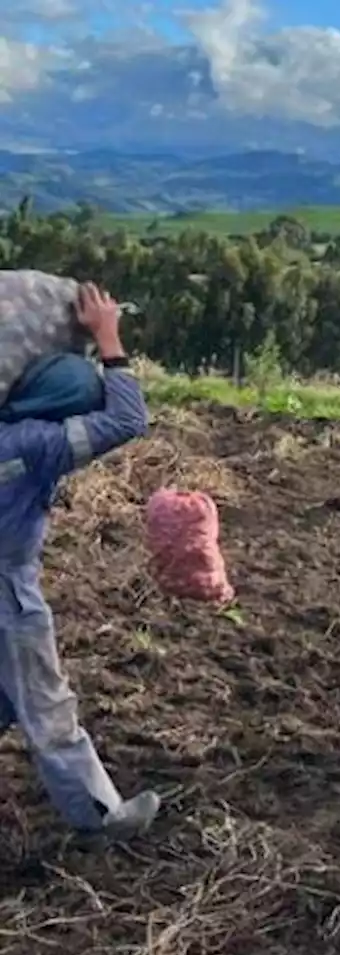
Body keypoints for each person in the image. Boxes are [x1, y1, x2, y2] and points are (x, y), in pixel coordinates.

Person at [0, 283, 161, 840]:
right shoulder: (33, 445)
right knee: (47, 707)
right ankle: (101, 819)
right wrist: (108, 338)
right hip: (7, 593)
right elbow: (127, 421)